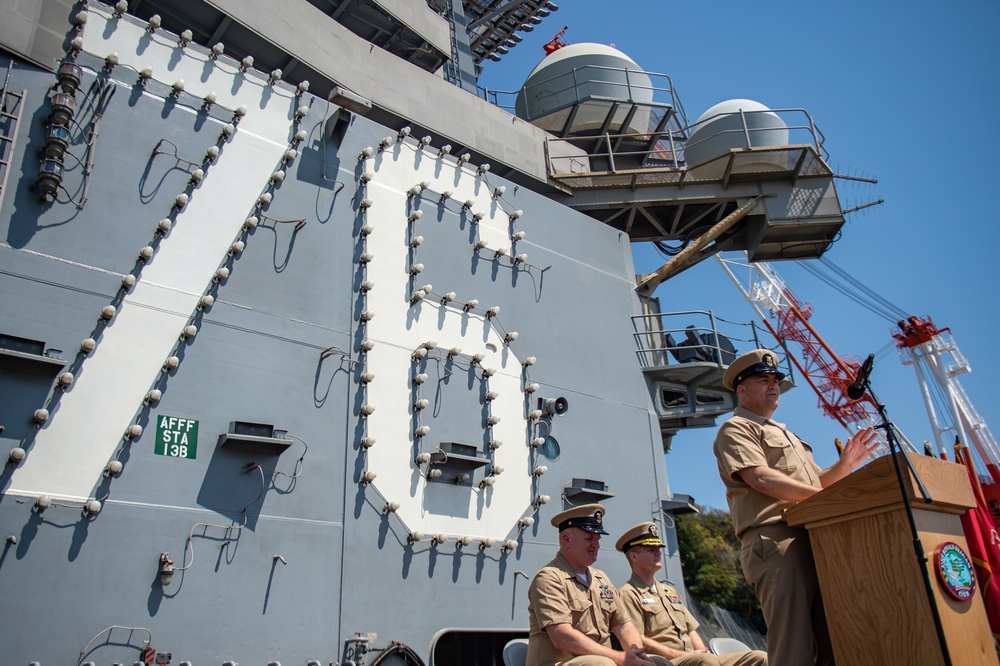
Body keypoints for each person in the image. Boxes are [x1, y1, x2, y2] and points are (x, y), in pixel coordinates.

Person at [713, 349, 878, 666]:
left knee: (833, 641)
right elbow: (760, 477)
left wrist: (844, 466)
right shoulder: (737, 429)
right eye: (763, 379)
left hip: (813, 537)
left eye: (776, 379)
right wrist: (823, 499)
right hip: (776, 540)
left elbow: (816, 484)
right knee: (794, 647)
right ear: (742, 390)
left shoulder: (787, 434)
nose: (773, 385)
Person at [526, 503, 673, 666]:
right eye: (589, 538)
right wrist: (620, 659)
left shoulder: (601, 579)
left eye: (597, 539)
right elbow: (562, 637)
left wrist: (638, 656)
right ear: (566, 539)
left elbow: (624, 625)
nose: (595, 544)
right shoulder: (549, 579)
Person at [615, 522, 767, 666]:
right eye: (651, 549)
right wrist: (681, 655)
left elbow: (690, 630)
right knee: (706, 662)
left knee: (760, 658)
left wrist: (703, 652)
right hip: (667, 661)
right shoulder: (628, 594)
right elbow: (639, 640)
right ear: (634, 557)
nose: (658, 552)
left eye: (658, 548)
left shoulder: (670, 591)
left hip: (696, 658)